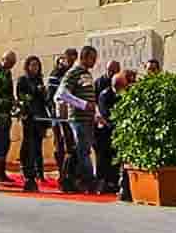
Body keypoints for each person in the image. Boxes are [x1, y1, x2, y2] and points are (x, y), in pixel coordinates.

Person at [54, 46, 101, 192]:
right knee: (83, 152)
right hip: (78, 119)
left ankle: (78, 180)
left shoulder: (86, 73)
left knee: (84, 151)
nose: (94, 62)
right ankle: (90, 182)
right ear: (84, 57)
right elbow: (61, 93)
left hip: (88, 120)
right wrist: (83, 104)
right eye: (92, 58)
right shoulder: (73, 72)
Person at [15, 55, 51, 193]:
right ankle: (27, 169)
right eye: (32, 65)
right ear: (27, 66)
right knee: (28, 144)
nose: (34, 68)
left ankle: (39, 172)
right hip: (29, 117)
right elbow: (22, 97)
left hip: (40, 117)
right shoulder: (23, 80)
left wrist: (44, 93)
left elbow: (43, 100)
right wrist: (36, 90)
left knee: (38, 145)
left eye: (37, 65)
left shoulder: (39, 80)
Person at [96, 70, 125, 197]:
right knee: (104, 158)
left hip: (117, 130)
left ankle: (113, 183)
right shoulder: (105, 95)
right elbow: (105, 114)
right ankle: (103, 183)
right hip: (105, 132)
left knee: (115, 157)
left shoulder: (122, 94)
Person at [0, 51, 17, 183]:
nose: (11, 65)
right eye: (10, 62)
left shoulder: (7, 73)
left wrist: (14, 102)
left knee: (5, 143)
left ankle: (1, 171)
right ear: (3, 59)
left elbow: (9, 92)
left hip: (6, 113)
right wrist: (7, 102)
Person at [49, 49, 74, 182]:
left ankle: (69, 175)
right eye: (69, 59)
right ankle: (62, 173)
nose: (70, 62)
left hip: (71, 114)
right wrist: (55, 115)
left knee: (70, 144)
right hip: (58, 115)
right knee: (60, 144)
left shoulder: (73, 73)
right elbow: (52, 96)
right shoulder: (57, 74)